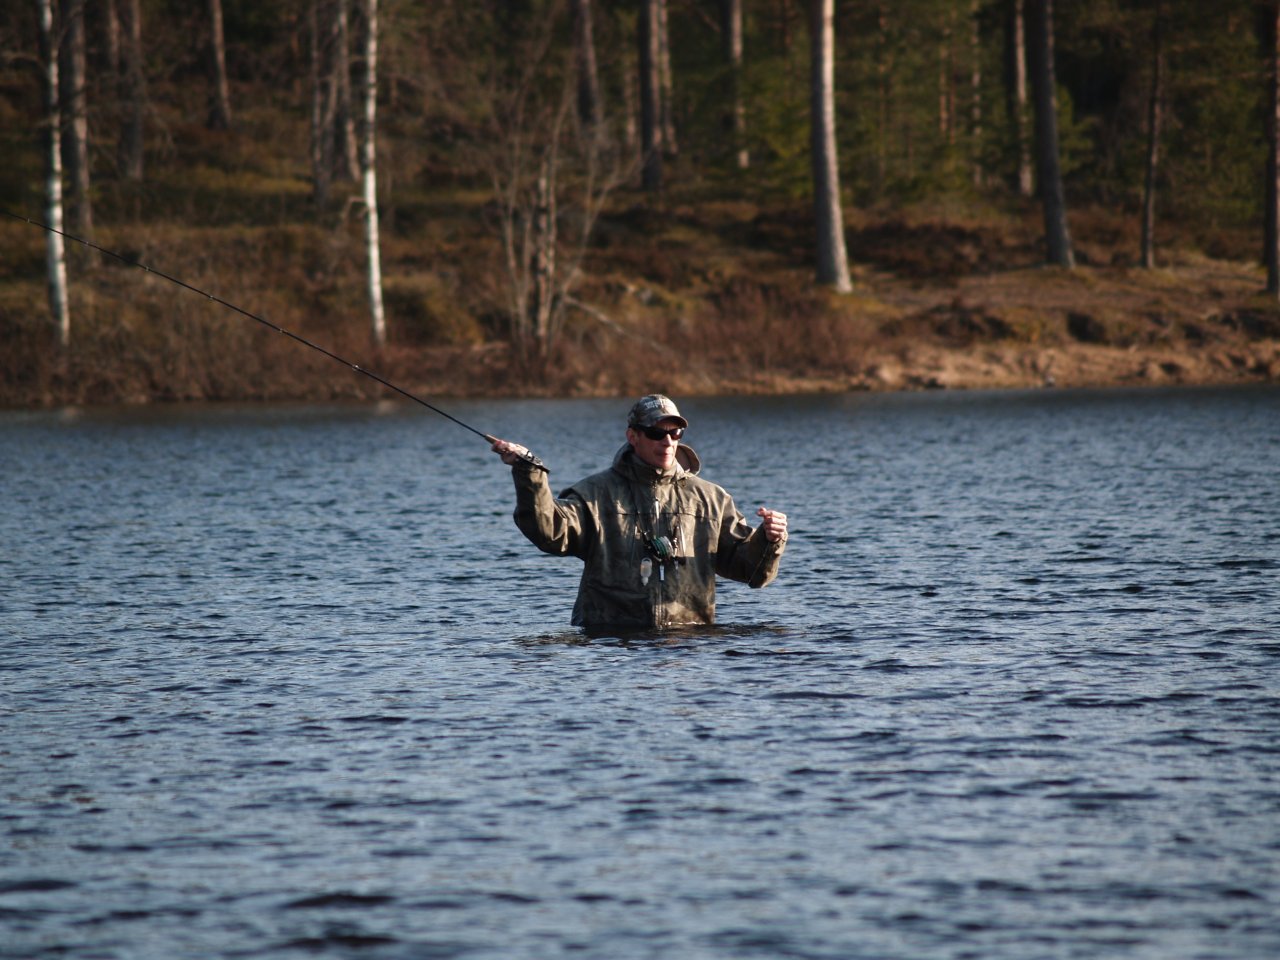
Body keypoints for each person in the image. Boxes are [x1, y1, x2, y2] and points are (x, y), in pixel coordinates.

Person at [491, 394, 788, 630]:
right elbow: (550, 533)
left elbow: (752, 573)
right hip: (608, 643)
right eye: (656, 433)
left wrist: (768, 539)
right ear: (633, 437)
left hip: (689, 642)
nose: (668, 441)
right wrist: (529, 472)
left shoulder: (712, 498)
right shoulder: (595, 494)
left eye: (675, 433)